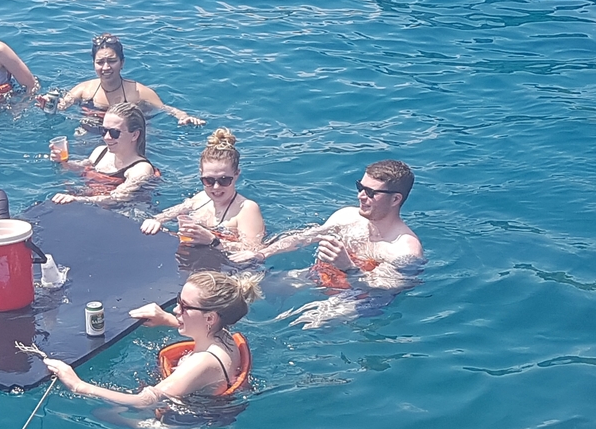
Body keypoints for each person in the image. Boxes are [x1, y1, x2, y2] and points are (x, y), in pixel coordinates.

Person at [43, 271, 260, 407]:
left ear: (210, 317)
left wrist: (77, 385)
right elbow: (203, 330)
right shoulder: (224, 336)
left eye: (184, 306)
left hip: (187, 422)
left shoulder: (202, 363)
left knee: (105, 414)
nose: (176, 309)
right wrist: (166, 319)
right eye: (178, 301)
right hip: (205, 396)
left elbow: (145, 401)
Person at [253, 160, 423, 329]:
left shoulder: (405, 249)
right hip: (321, 276)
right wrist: (263, 254)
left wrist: (348, 267)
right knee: (253, 285)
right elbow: (303, 238)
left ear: (395, 199)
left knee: (303, 325)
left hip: (359, 298)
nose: (361, 196)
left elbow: (383, 289)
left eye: (371, 192)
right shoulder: (347, 217)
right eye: (360, 187)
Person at [140, 128, 265, 261]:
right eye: (208, 180)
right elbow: (174, 212)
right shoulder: (201, 198)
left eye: (224, 180)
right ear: (201, 175)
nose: (216, 187)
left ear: (236, 175)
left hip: (233, 265)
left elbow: (254, 250)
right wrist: (156, 220)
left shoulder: (246, 209)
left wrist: (214, 241)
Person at [46, 33, 204, 127]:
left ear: (122, 63)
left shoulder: (139, 92)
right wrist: (48, 105)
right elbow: (61, 107)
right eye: (100, 62)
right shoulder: (84, 90)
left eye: (112, 61)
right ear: (93, 64)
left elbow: (167, 109)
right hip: (92, 132)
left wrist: (184, 117)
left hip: (128, 136)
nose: (106, 67)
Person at [51, 102, 157, 206]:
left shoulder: (140, 169)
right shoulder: (100, 152)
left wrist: (78, 199)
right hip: (89, 203)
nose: (106, 137)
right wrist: (63, 161)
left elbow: (117, 198)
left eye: (114, 133)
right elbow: (81, 167)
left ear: (134, 135)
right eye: (104, 130)